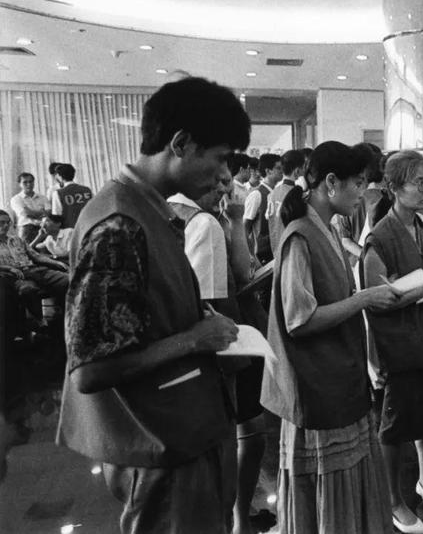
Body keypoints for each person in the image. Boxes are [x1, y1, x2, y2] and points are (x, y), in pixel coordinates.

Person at [56, 76, 250, 534]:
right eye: (220, 157)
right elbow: (91, 369)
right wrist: (194, 339)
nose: (224, 174)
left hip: (179, 433)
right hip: (160, 443)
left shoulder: (148, 209)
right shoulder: (119, 223)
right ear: (180, 144)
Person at [261, 140, 399, 534]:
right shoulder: (300, 235)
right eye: (358, 183)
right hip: (317, 383)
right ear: (331, 182)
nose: (362, 193)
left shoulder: (326, 229)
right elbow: (299, 319)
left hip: (335, 375)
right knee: (328, 487)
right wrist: (364, 298)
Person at [362, 150, 423, 534]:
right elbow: (377, 299)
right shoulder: (379, 238)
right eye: (418, 182)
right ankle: (393, 500)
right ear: (393, 187)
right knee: (396, 424)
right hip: (402, 345)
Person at [169, 161, 269, 534]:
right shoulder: (204, 223)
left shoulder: (171, 214)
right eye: (220, 181)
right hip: (224, 346)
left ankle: (236, 514)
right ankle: (236, 519)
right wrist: (236, 224)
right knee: (244, 434)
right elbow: (212, 298)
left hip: (192, 351)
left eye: (229, 182)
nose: (226, 190)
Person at [0, 209, 68, 327]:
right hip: (16, 276)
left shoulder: (17, 239)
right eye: (1, 222)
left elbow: (36, 256)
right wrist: (8, 268)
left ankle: (67, 315)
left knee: (68, 280)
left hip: (35, 270)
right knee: (28, 290)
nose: (6, 225)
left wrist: (56, 263)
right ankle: (39, 321)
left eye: (8, 222)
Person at [265, 149, 305, 256]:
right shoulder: (296, 194)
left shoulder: (273, 193)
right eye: (303, 168)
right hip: (291, 250)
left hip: (276, 249)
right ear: (297, 171)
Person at [244, 153, 282, 263]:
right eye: (278, 168)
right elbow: (245, 227)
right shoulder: (256, 195)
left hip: (276, 251)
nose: (282, 171)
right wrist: (251, 255)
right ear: (268, 171)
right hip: (262, 255)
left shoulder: (278, 192)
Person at [9, 173, 50, 243]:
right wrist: (42, 212)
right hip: (26, 229)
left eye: (31, 181)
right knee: (26, 249)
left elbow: (49, 213)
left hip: (43, 227)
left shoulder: (43, 197)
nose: (29, 184)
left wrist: (32, 212)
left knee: (45, 248)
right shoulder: (16, 199)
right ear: (19, 184)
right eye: (25, 182)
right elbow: (26, 213)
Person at [51, 163, 93, 229]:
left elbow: (56, 217)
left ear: (60, 176)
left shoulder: (58, 193)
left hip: (70, 230)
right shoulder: (87, 190)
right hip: (88, 227)